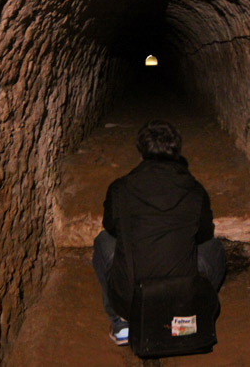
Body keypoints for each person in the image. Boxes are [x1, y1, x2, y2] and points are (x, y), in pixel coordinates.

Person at [92, 119, 226, 346]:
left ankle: (121, 322)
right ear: (176, 152)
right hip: (181, 298)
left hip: (132, 298)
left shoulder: (120, 188)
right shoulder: (194, 190)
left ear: (141, 151)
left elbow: (111, 227)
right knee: (215, 247)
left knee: (103, 241)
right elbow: (204, 234)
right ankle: (190, 316)